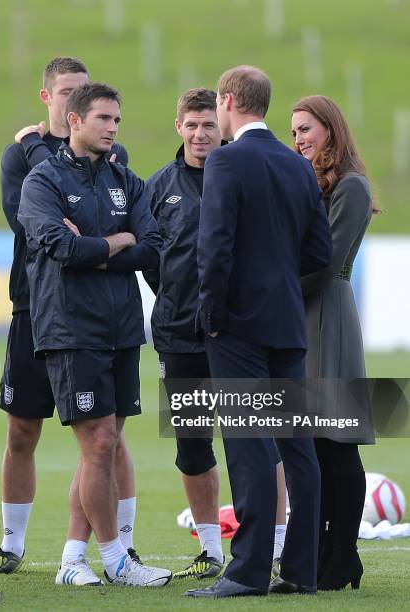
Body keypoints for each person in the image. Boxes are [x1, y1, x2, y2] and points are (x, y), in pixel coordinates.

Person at [0, 57, 138, 586]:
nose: (76, 101)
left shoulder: (113, 156)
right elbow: (36, 223)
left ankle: (116, 548)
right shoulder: (19, 158)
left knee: (107, 437)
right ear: (48, 98)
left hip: (95, 312)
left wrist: (89, 236)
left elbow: (107, 228)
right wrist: (97, 236)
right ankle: (12, 544)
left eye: (84, 92)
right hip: (33, 306)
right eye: (67, 92)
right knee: (22, 429)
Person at [17, 82, 171, 587]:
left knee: (104, 446)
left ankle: (72, 558)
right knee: (100, 443)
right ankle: (117, 560)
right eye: (103, 118)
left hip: (122, 326)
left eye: (117, 121)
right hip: (70, 326)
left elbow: (150, 246)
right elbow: (60, 247)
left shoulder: (127, 179)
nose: (112, 128)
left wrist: (101, 245)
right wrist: (115, 242)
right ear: (75, 120)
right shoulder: (42, 180)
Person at [187, 65, 332, 599]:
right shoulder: (297, 166)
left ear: (227, 101)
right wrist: (278, 286)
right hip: (287, 324)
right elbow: (320, 253)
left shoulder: (226, 161)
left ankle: (246, 572)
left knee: (248, 442)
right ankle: (300, 570)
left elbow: (214, 248)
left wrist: (212, 314)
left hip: (239, 328)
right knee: (298, 447)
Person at [143, 87, 288, 580]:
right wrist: (179, 304)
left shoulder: (243, 173)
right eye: (192, 125)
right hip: (178, 336)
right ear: (178, 127)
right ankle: (210, 550)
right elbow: (153, 260)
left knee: (255, 440)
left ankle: (272, 546)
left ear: (220, 124)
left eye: (209, 124)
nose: (202, 133)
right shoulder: (158, 185)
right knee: (193, 446)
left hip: (237, 335)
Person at [291, 95, 375, 591]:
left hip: (329, 317)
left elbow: (325, 263)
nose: (299, 138)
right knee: (314, 446)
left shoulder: (352, 186)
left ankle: (342, 555)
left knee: (337, 443)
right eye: (294, 131)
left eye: (307, 129)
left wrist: (269, 286)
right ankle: (329, 553)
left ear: (331, 130)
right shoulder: (307, 181)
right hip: (299, 316)